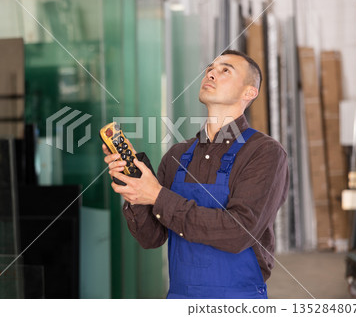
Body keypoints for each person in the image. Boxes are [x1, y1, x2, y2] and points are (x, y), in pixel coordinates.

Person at [102, 50, 289, 299]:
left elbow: (238, 232)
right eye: (210, 68)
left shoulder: (264, 152)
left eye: (225, 70)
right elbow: (152, 238)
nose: (211, 73)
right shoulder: (177, 155)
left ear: (249, 93)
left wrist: (157, 196)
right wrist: (137, 191)